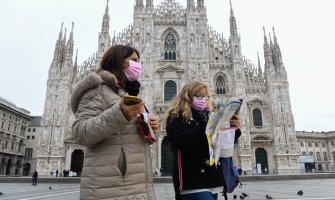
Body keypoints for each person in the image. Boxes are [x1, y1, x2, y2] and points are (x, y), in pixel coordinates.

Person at [71, 45, 158, 200]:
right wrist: (120, 114)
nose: (139, 65)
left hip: (136, 185)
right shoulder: (97, 88)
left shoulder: (128, 92)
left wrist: (150, 128)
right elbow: (80, 132)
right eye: (134, 60)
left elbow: (127, 135)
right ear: (118, 61)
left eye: (139, 61)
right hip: (109, 186)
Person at [165, 80, 241, 200]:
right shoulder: (176, 116)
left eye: (204, 95)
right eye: (198, 95)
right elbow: (182, 142)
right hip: (192, 182)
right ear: (187, 97)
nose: (202, 98)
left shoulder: (207, 115)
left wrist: (232, 129)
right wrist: (207, 124)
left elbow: (219, 143)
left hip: (212, 180)